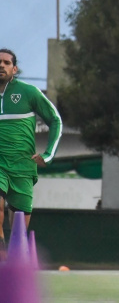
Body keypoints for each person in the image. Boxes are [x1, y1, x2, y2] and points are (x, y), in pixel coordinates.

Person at [0, 48, 62, 258]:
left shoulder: (29, 92)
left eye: (6, 62)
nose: (1, 65)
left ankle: (14, 258)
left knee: (18, 224)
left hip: (23, 166)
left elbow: (55, 120)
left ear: (14, 69)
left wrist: (48, 154)